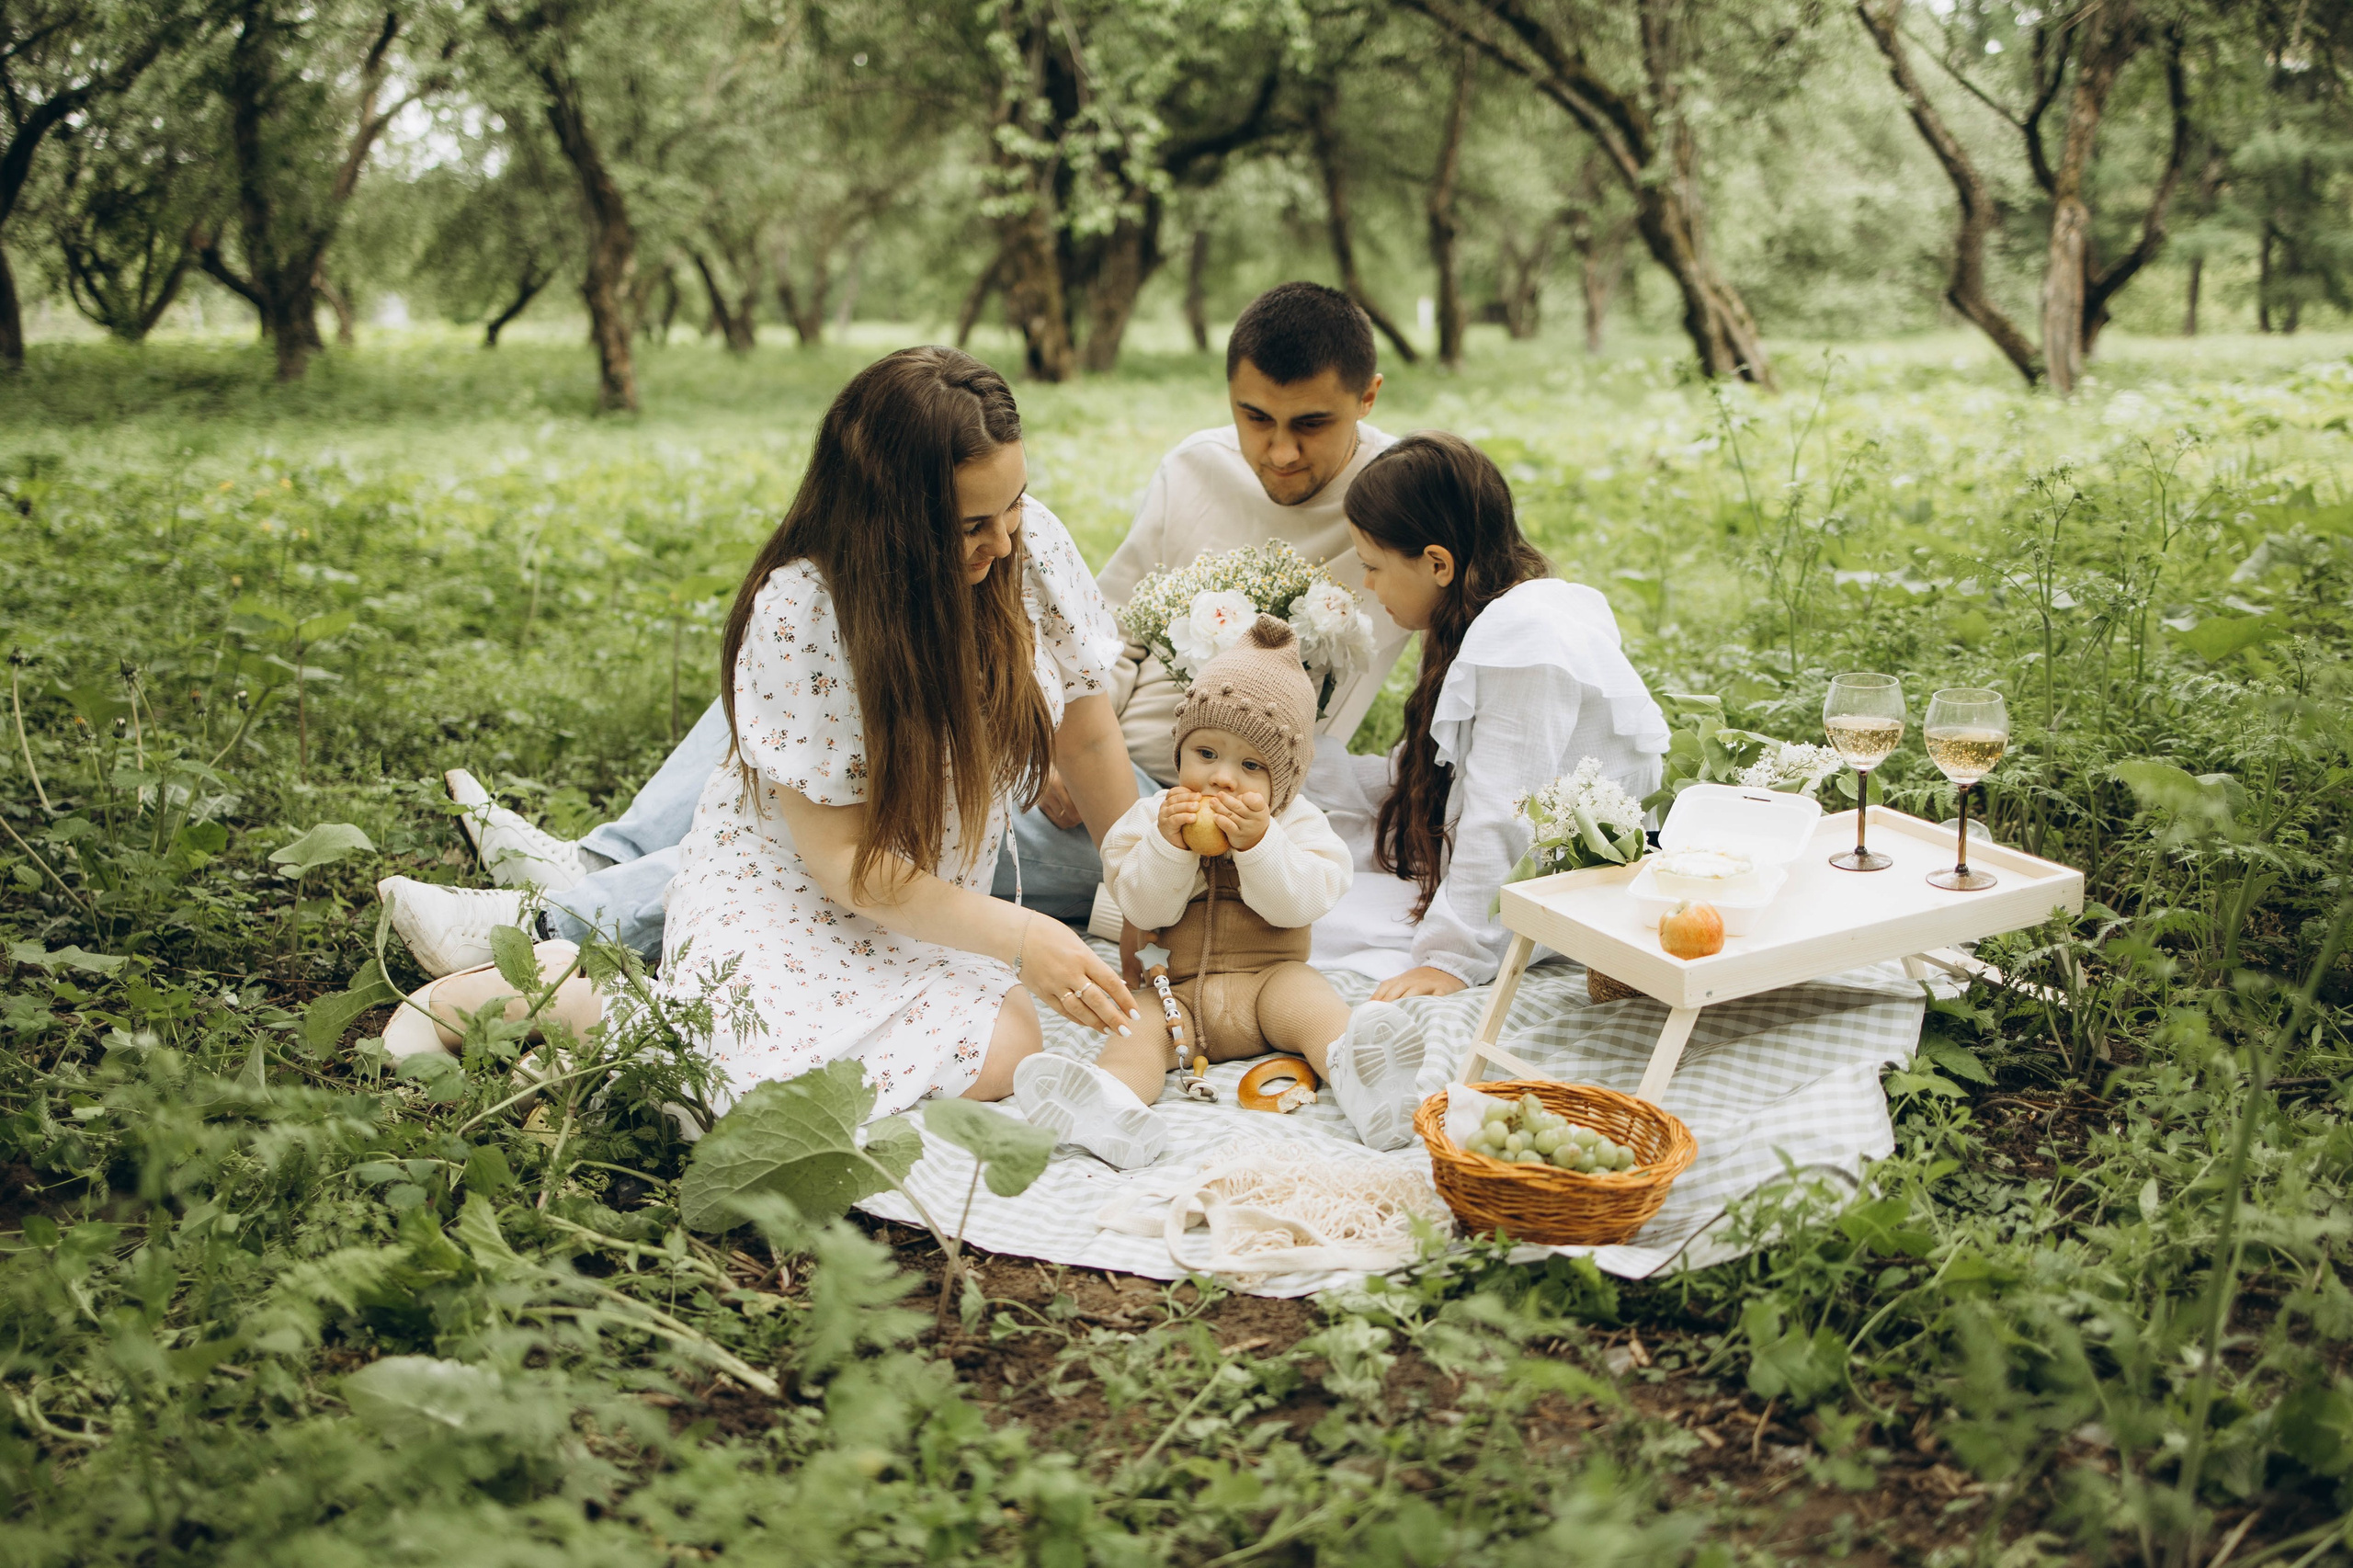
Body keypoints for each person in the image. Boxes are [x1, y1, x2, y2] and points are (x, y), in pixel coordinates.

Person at [380, 281, 1409, 972]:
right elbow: (1105, 628)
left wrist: (1141, 863)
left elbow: (1475, 606)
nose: (1276, 452)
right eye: (1253, 418)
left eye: (1309, 424)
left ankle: (552, 924)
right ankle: (600, 864)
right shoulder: (1191, 467)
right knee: (802, 702)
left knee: (909, 830)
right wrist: (1049, 732)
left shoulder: (1397, 507)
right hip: (1073, 745)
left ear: (1364, 397)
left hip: (1179, 795)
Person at [381, 347, 1142, 1119]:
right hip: (795, 896)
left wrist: (1140, 892)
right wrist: (1022, 935)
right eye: (973, 524)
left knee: (1011, 1045)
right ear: (894, 525)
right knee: (746, 1081)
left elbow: (1086, 740)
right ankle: (546, 993)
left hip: (930, 906)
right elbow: (846, 863)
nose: (1007, 540)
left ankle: (633, 1032)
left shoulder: (1026, 551)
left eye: (1014, 504)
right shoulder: (807, 610)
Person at [1017, 618, 1428, 1166]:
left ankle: (1363, 1078)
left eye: (1251, 765)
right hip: (1176, 991)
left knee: (1314, 1003)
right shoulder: (1150, 818)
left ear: (1284, 779)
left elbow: (1301, 903)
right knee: (1136, 1031)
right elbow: (1143, 907)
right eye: (1206, 754)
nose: (1223, 779)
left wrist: (1260, 846)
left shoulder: (1300, 825)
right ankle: (1110, 1105)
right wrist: (1169, 847)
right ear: (1180, 751)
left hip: (1268, 986)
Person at [1307, 432, 1671, 996]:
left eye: (1373, 566)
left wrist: (1450, 962)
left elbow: (1503, 813)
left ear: (1437, 564)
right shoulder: (1486, 619)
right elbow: (1423, 778)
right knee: (1308, 851)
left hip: (1566, 888)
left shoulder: (1525, 640)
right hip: (1506, 862)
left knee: (1307, 915)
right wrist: (1292, 761)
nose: (1368, 585)